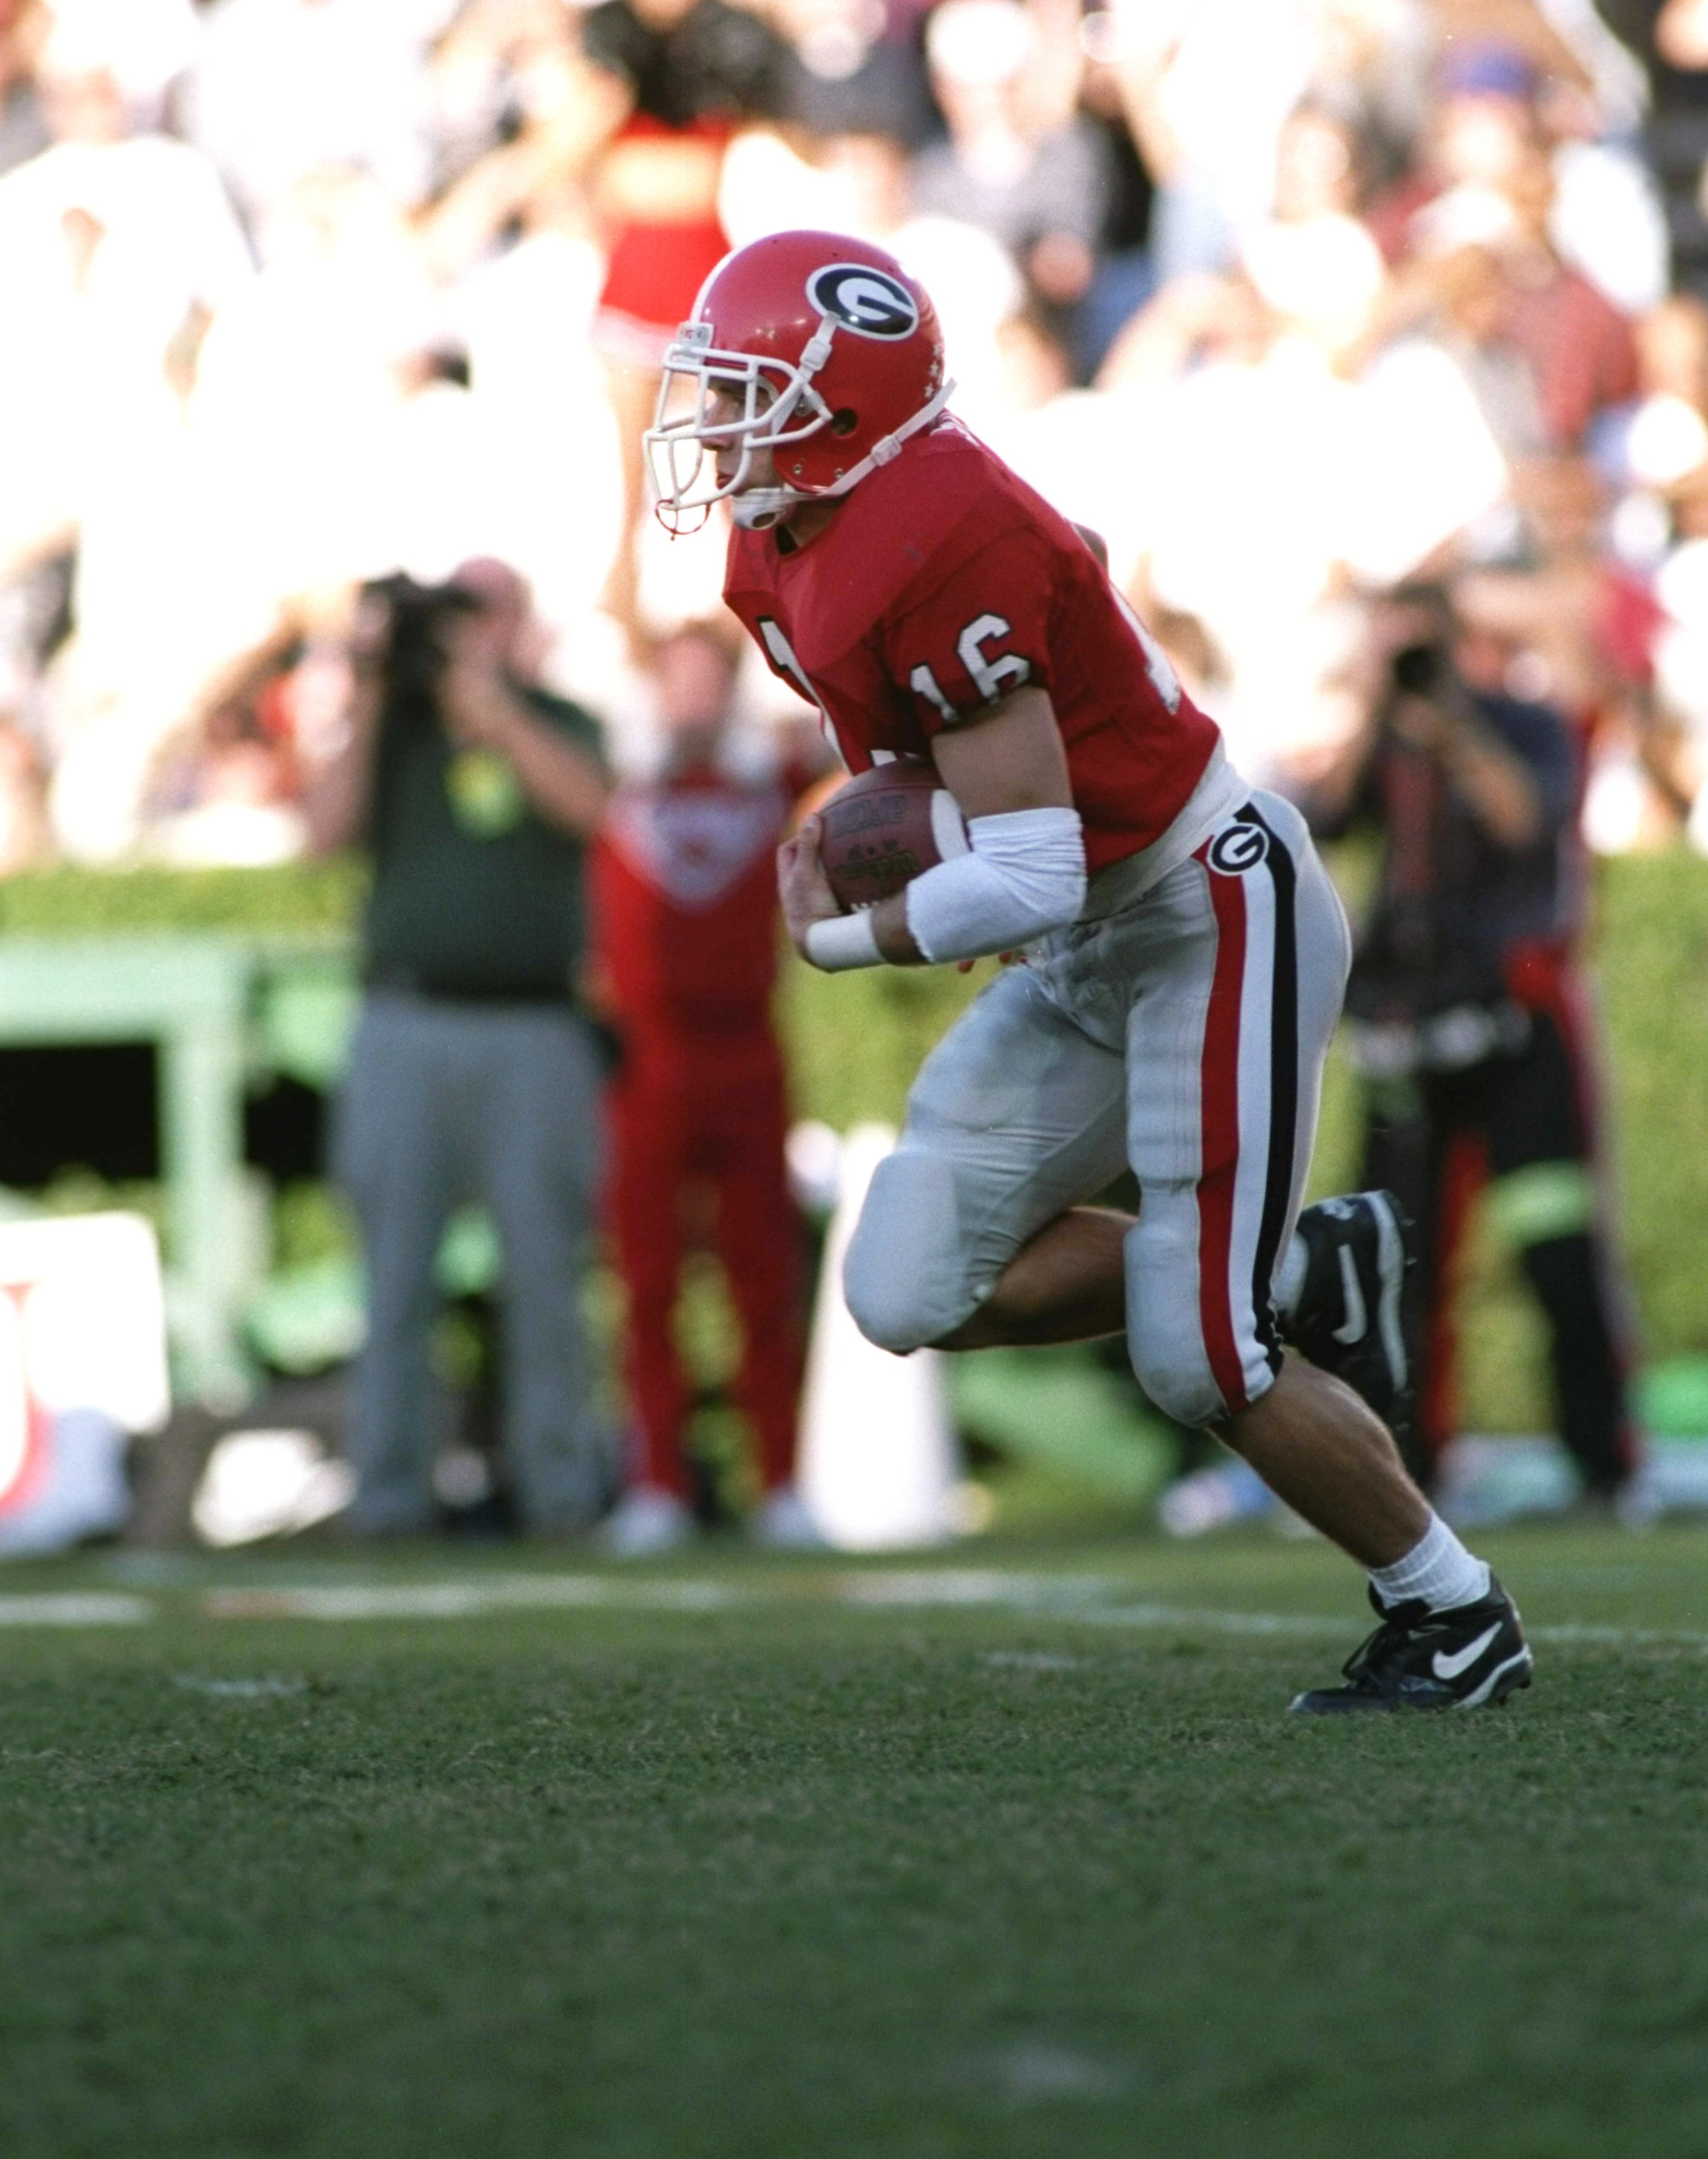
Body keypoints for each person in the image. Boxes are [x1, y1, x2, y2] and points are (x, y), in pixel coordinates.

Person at [645, 226, 1533, 1714]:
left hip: (1202, 905)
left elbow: (1036, 858)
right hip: (1090, 929)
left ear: (844, 410)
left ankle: (1450, 1608)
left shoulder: (943, 535)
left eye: (747, 391)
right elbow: (971, 815)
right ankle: (1301, 1264)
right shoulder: (792, 526)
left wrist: (845, 928)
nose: (715, 423)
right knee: (906, 1277)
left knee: (1203, 1358)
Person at [1304, 578, 1637, 1501]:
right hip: (1406, 1028)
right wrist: (1376, 713)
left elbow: (1527, 823)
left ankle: (1602, 1463)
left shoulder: (1514, 724)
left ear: (1459, 646)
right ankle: (1403, 1473)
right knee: (1393, 1265)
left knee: (1556, 1247)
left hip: (1512, 1026)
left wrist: (1452, 727)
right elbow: (1322, 819)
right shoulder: (1381, 745)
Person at [306, 556, 612, 1535]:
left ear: (520, 625)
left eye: (486, 614)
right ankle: (389, 1498)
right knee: (393, 1275)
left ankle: (560, 1493)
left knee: (547, 1275)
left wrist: (495, 712)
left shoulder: (562, 721)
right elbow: (323, 833)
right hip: (408, 1018)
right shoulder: (392, 732)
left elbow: (593, 809)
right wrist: (366, 685)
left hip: (534, 1023)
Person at [589, 620, 824, 1552]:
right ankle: (655, 1482)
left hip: (746, 1049)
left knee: (762, 1278)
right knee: (645, 1281)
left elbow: (849, 737)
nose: (691, 700)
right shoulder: (614, 781)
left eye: (706, 681)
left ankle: (781, 1481)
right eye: (673, 681)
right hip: (648, 1057)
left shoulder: (771, 777)